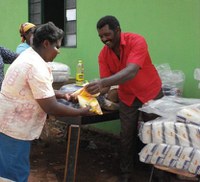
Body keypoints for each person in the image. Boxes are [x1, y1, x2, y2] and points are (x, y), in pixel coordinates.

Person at [0, 22, 91, 182]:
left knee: (9, 171)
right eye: (57, 47)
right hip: (15, 129)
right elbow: (51, 107)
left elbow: (36, 90)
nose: (58, 51)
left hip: (9, 124)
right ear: (46, 43)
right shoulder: (35, 66)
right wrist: (81, 112)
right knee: (14, 175)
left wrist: (62, 95)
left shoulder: (28, 56)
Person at [85, 15, 163, 182]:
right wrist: (92, 91)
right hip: (128, 96)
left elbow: (131, 71)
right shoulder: (103, 55)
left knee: (154, 132)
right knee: (127, 133)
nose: (104, 40)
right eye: (101, 37)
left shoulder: (137, 41)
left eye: (107, 35)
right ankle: (126, 173)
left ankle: (158, 172)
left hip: (150, 91)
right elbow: (105, 85)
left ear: (118, 30)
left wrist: (103, 82)